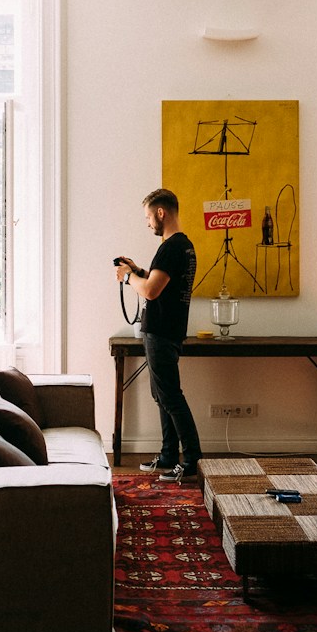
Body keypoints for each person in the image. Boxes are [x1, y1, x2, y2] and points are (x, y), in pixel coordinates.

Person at [115, 188, 201, 481]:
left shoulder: (171, 247)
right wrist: (138, 268)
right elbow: (160, 281)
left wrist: (128, 277)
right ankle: (168, 454)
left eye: (148, 216)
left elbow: (151, 291)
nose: (148, 222)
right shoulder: (184, 246)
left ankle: (191, 461)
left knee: (170, 396)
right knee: (162, 394)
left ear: (161, 213)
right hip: (170, 330)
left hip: (161, 331)